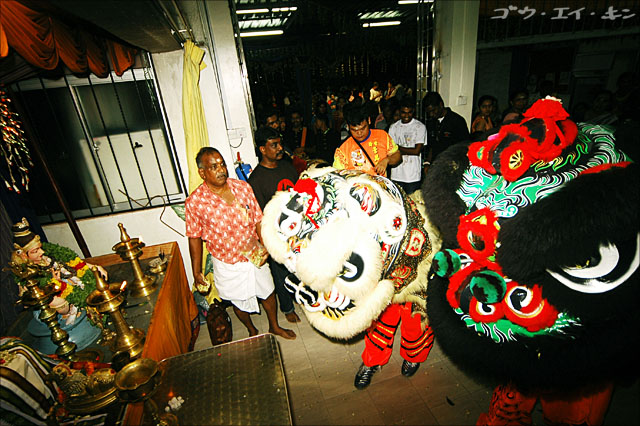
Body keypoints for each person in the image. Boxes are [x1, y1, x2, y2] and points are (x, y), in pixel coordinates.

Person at [186, 147, 296, 340]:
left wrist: (265, 246)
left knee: (268, 291)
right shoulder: (195, 202)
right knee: (238, 300)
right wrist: (196, 271)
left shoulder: (242, 188)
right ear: (202, 172)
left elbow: (258, 220)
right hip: (226, 261)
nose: (221, 169)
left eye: (222, 164)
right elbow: (194, 236)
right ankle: (251, 329)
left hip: (254, 253)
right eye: (214, 166)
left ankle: (274, 326)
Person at [248, 127, 301, 324]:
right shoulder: (256, 179)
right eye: (274, 145)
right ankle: (287, 308)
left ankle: (304, 299)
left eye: (279, 143)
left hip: (298, 227)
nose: (280, 148)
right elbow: (259, 215)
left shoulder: (287, 166)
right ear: (262, 149)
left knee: (301, 267)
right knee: (280, 273)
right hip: (276, 233)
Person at [333, 104, 402, 177]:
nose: (359, 133)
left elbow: (397, 156)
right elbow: (337, 175)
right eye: (354, 130)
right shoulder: (343, 148)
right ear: (347, 126)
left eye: (363, 128)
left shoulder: (382, 136)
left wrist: (387, 160)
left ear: (369, 120)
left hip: (379, 186)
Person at [422, 92, 470, 174]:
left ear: (441, 105)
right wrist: (427, 163)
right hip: (435, 166)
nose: (431, 114)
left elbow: (464, 147)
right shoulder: (431, 122)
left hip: (452, 167)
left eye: (433, 110)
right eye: (428, 112)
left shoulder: (457, 121)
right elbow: (431, 146)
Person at [388, 98, 426, 194]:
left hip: (412, 175)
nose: (406, 116)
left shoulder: (420, 127)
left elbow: (416, 151)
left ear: (413, 111)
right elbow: (390, 151)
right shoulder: (393, 127)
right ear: (399, 112)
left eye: (409, 112)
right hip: (396, 174)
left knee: (412, 203)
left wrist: (398, 148)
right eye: (403, 113)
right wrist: (397, 149)